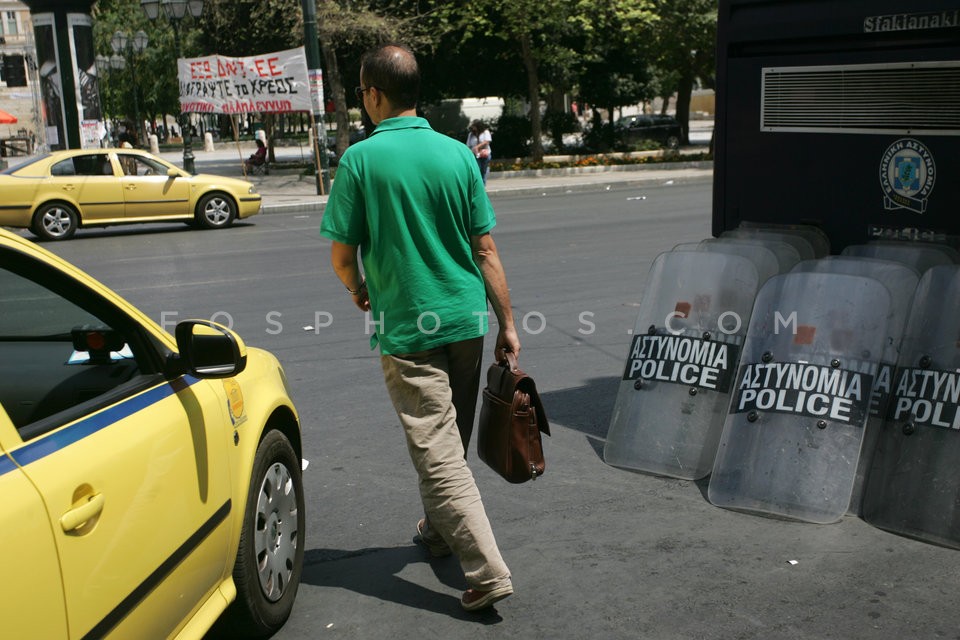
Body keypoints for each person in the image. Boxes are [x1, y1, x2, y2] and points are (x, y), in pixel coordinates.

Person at [320, 44, 519, 612]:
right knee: (448, 439)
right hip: (464, 320)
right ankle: (437, 533)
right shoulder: (458, 155)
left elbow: (341, 258)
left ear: (375, 95)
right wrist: (507, 324)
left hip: (408, 330)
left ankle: (488, 569)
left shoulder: (360, 160)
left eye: (361, 92)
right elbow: (485, 248)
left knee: (437, 451)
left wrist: (360, 291)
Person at [467, 120, 493, 185]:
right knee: (477, 169)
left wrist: (477, 147)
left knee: (484, 170)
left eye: (474, 126)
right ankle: (479, 184)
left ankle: (483, 184)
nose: (473, 128)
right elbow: (468, 144)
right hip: (475, 155)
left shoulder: (485, 132)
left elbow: (487, 141)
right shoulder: (471, 134)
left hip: (485, 154)